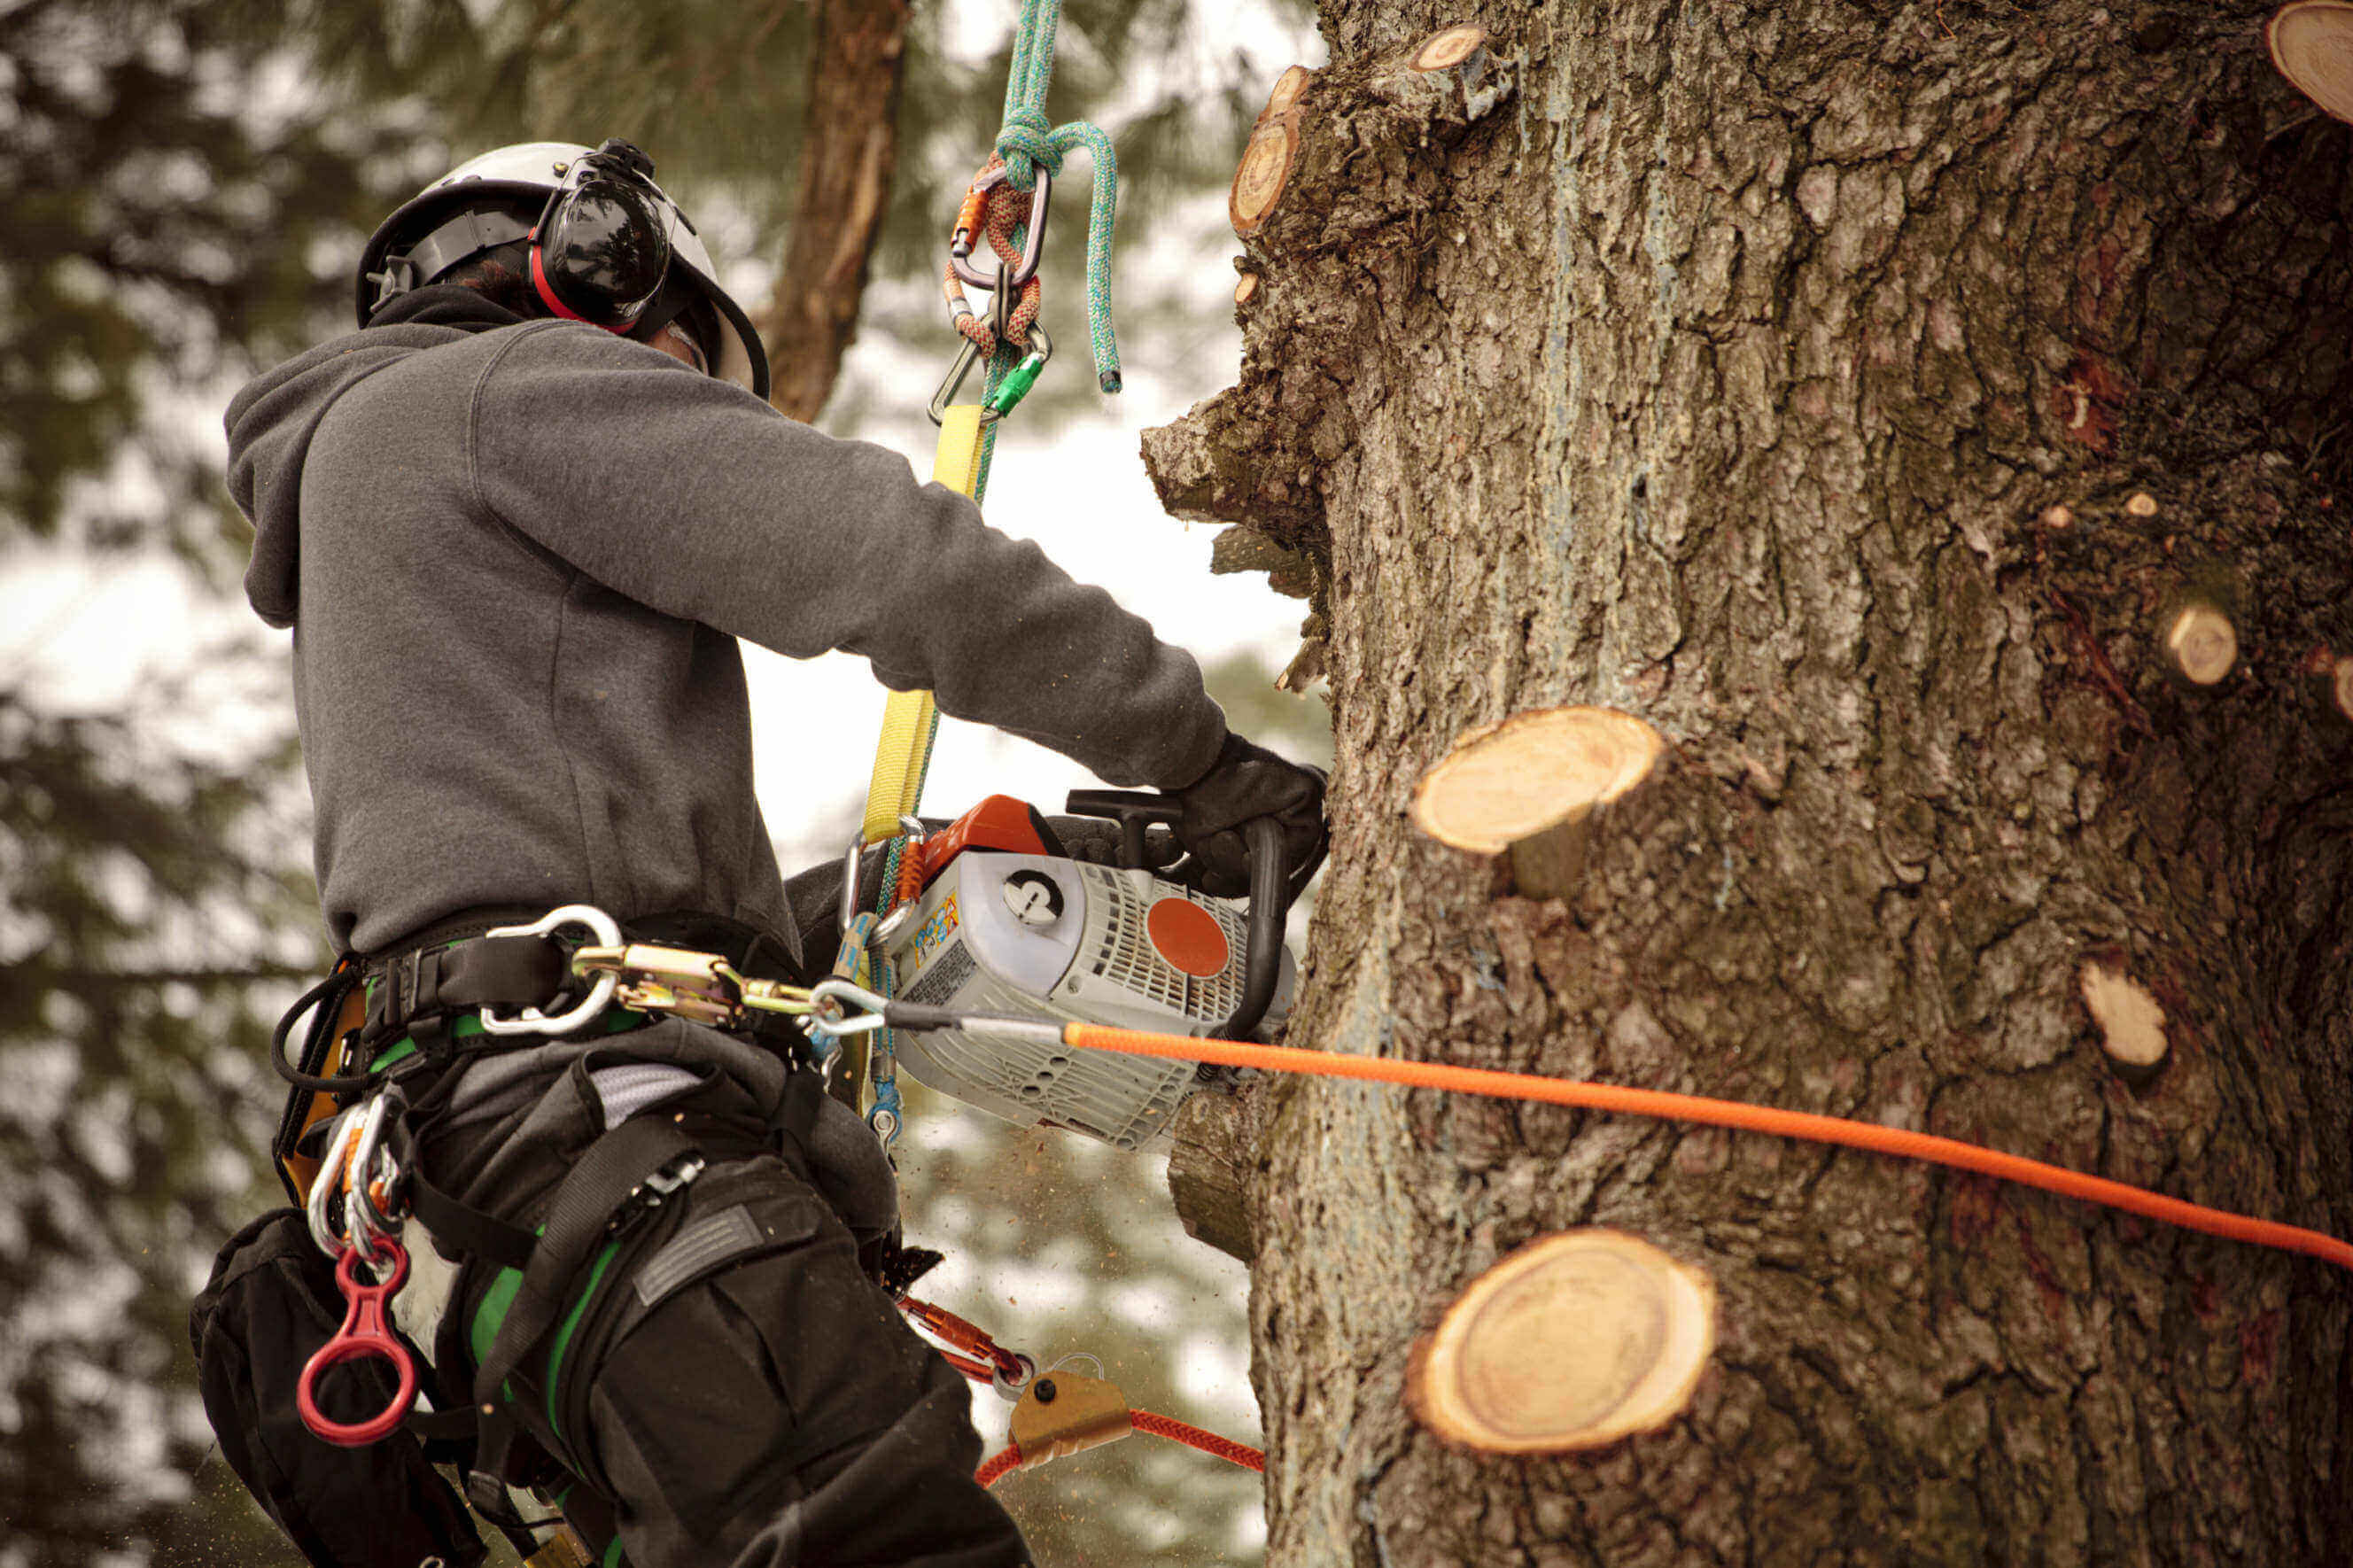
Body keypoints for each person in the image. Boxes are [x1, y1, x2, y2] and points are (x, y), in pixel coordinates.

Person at [205, 139, 1326, 1568]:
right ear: (585, 267)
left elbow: (536, 910)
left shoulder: (373, 489)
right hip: (629, 1172)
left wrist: (872, 898)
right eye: (674, 358)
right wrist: (1203, 758)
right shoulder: (502, 386)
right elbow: (889, 560)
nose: (675, 399)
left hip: (506, 1203)